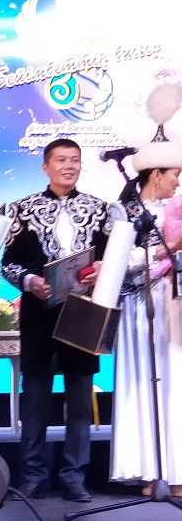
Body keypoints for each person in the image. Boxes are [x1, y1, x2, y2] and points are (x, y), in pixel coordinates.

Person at [1, 138, 109, 503]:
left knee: (79, 400)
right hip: (39, 312)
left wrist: (101, 270)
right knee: (35, 398)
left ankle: (74, 476)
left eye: (74, 160)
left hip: (83, 311)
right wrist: (30, 281)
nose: (69, 166)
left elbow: (113, 257)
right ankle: (32, 475)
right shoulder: (23, 209)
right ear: (45, 166)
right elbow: (8, 264)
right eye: (61, 160)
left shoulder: (100, 209)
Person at [109, 122, 182, 492]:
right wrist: (166, 252)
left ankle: (178, 472)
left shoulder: (175, 210)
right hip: (139, 302)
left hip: (173, 303)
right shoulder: (122, 211)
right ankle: (151, 472)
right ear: (156, 174)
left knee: (175, 383)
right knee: (144, 383)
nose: (178, 182)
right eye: (174, 175)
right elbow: (120, 260)